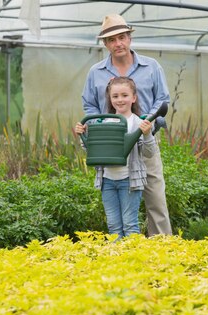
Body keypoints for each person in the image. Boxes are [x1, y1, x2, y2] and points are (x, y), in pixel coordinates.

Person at [82, 13, 172, 236]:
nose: (117, 43)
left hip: (145, 140)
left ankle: (163, 250)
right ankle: (122, 254)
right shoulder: (96, 72)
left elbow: (162, 101)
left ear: (129, 38)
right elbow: (89, 105)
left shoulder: (151, 67)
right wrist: (102, 127)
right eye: (111, 40)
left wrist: (145, 124)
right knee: (117, 202)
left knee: (156, 199)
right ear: (105, 44)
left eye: (121, 37)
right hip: (112, 145)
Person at [75, 77, 156, 239]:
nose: (120, 100)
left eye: (124, 95)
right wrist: (82, 135)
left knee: (129, 223)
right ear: (110, 100)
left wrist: (147, 135)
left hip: (130, 181)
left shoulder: (139, 123)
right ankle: (117, 262)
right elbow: (92, 150)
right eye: (115, 96)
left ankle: (134, 259)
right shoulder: (103, 122)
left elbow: (149, 153)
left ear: (134, 98)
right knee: (113, 225)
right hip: (107, 181)